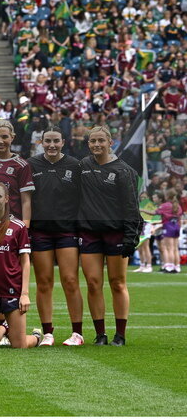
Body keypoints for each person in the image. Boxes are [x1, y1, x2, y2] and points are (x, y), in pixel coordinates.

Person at [77, 127, 141, 347]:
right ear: (88, 144)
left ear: (110, 142)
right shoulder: (83, 166)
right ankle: (100, 335)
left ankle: (120, 335)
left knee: (117, 283)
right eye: (93, 141)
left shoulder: (124, 171)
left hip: (117, 234)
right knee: (93, 283)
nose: (97, 144)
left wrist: (132, 237)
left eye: (101, 141)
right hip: (89, 233)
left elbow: (132, 207)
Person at [28, 127, 85, 346]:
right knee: (44, 283)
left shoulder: (75, 165)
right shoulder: (32, 164)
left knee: (70, 281)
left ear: (63, 142)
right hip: (40, 231)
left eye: (56, 141)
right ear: (41, 142)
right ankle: (48, 333)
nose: (52, 145)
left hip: (67, 231)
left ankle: (77, 333)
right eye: (47, 141)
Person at [0, 182, 44, 349]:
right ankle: (4, 327)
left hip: (11, 291)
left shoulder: (18, 226)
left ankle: (36, 337)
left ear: (6, 198)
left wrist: (24, 294)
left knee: (19, 345)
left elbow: (25, 261)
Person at [0, 119, 34, 223]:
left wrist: (25, 228)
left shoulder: (21, 165)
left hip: (12, 224)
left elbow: (26, 202)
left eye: (5, 137)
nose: (0, 141)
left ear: (12, 137)